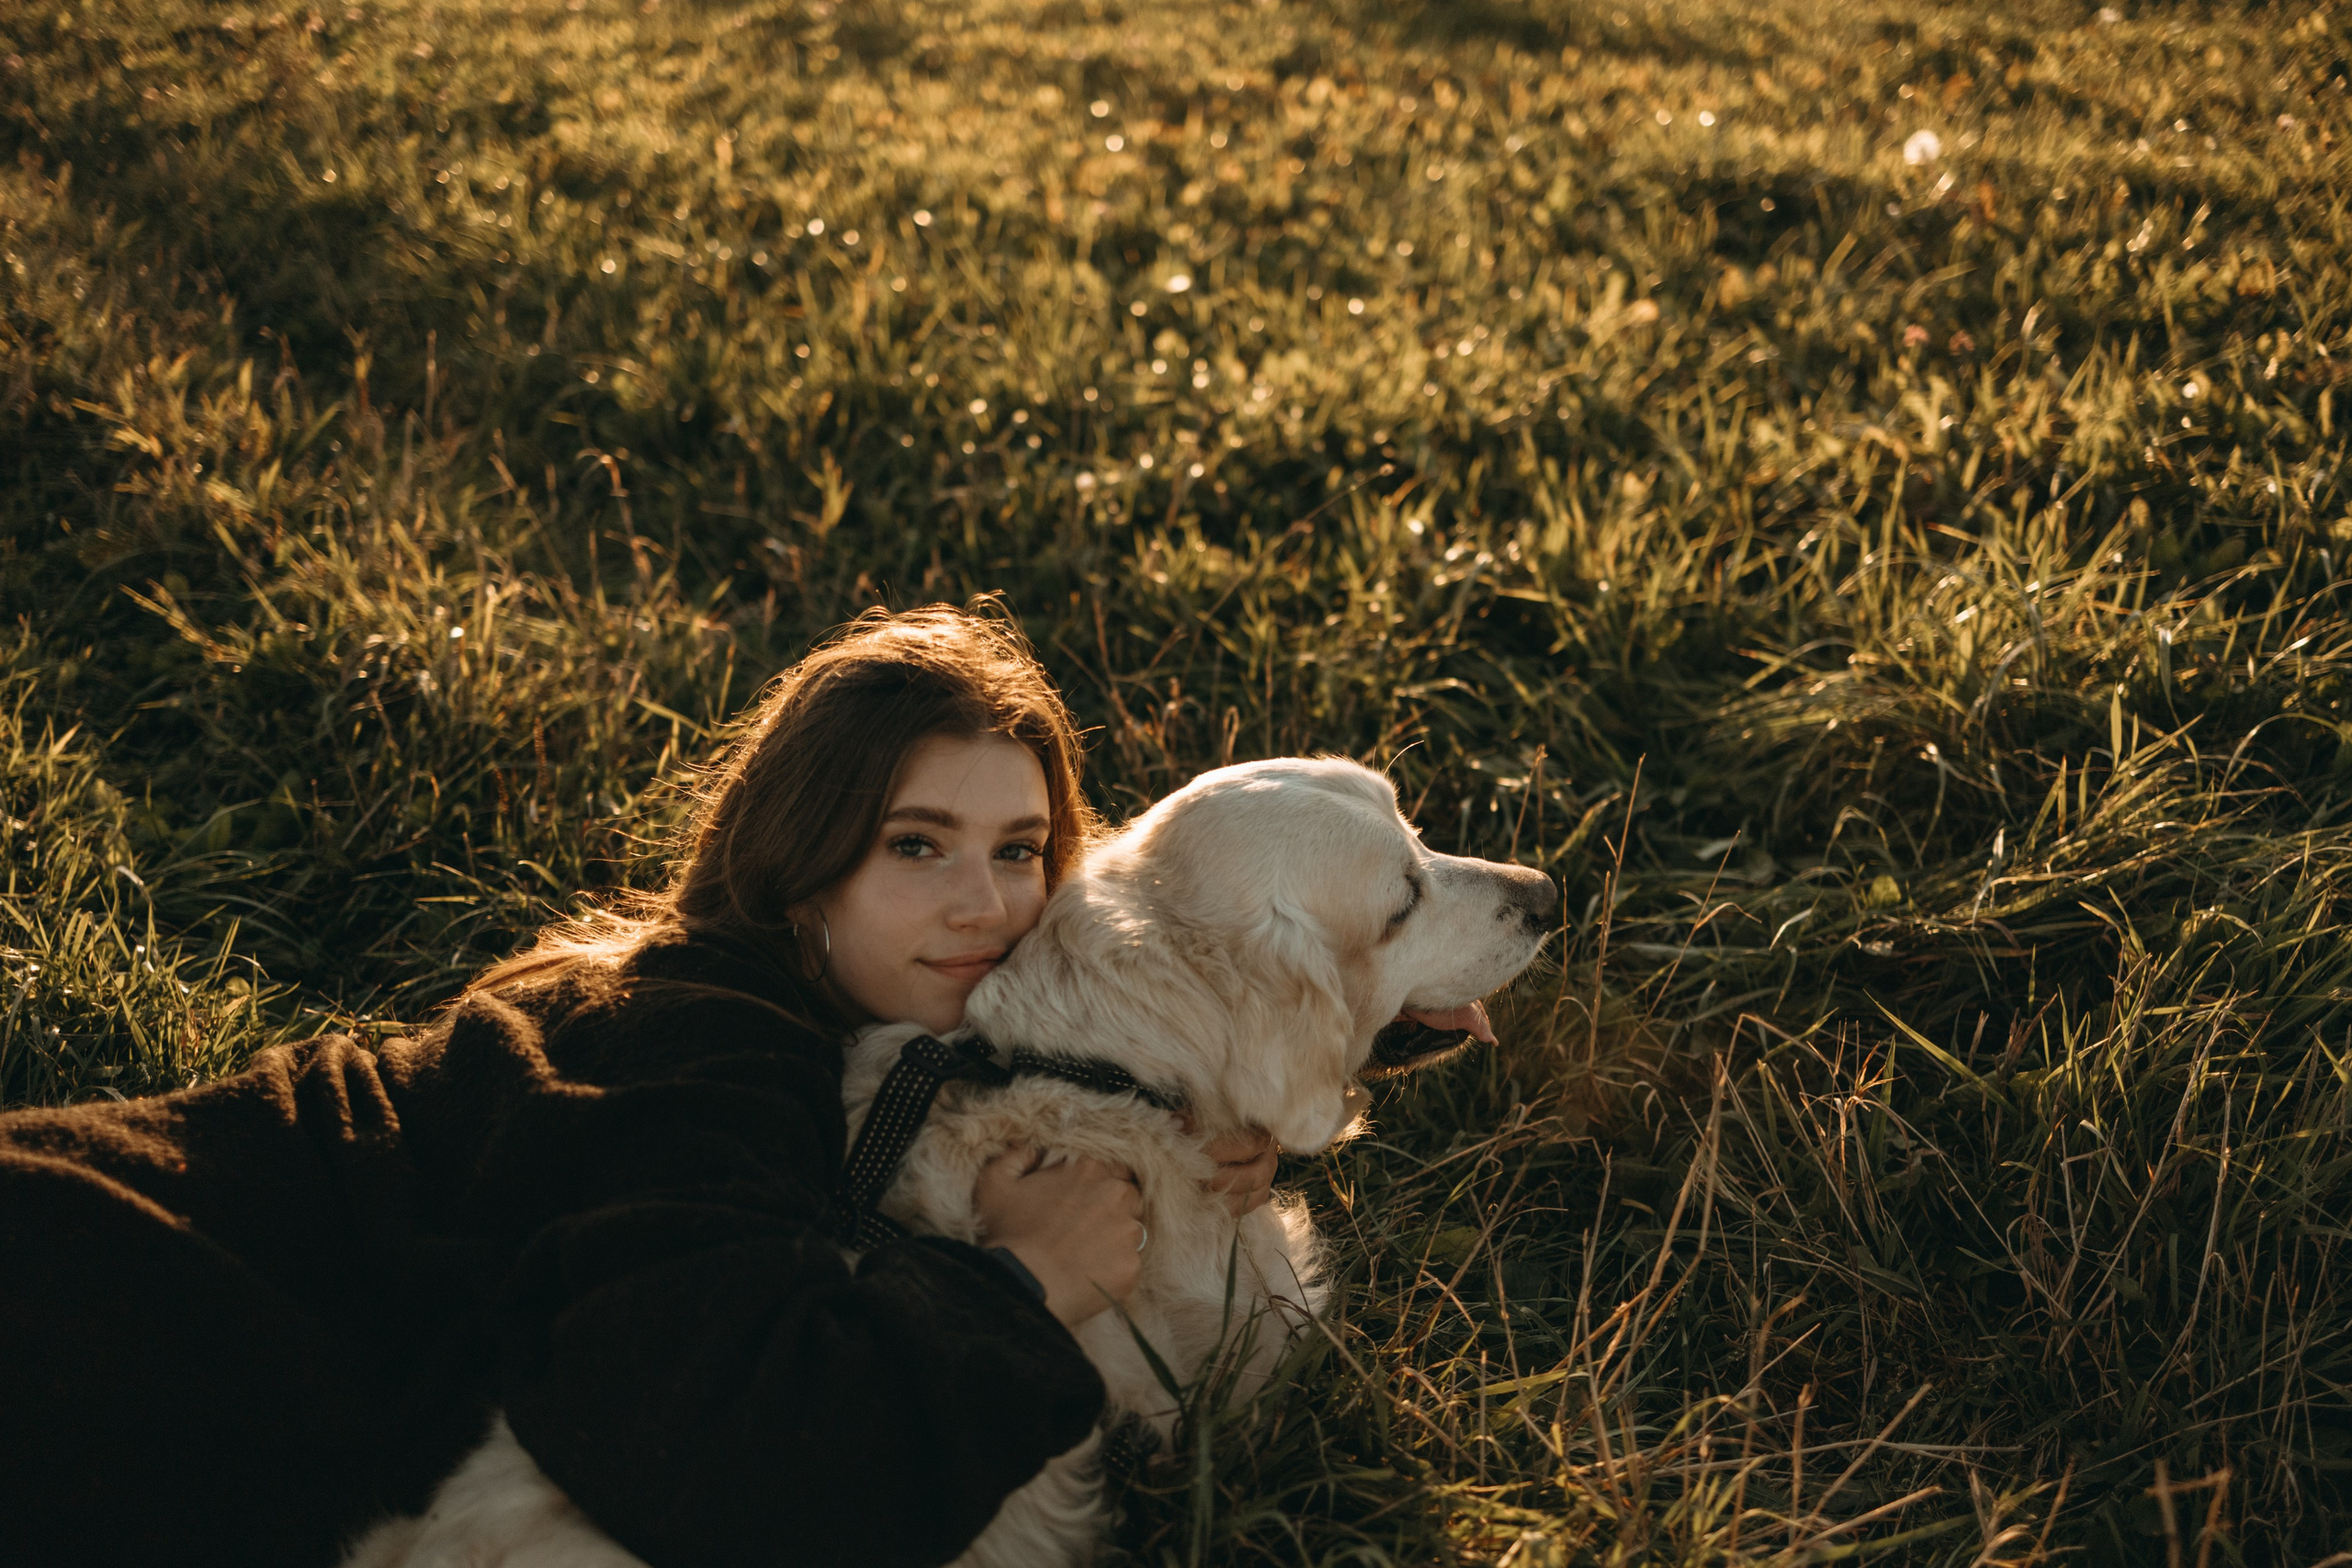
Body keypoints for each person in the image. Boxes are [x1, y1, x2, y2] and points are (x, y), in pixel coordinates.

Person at [0, 604, 1280, 1568]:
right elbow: (722, 1457)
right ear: (801, 867)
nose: (989, 905)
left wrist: (1182, 1132)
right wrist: (1021, 1283)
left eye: (1022, 850)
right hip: (113, 1317)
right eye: (915, 846)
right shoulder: (701, 1048)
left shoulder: (759, 1007)